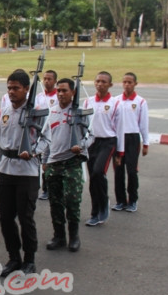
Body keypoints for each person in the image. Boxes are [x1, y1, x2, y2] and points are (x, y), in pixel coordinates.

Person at [0, 70, 48, 277]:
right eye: (9, 88)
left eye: (16, 88)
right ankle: (13, 257)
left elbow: (46, 139)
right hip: (6, 170)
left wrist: (34, 152)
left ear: (27, 89)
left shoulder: (38, 112)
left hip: (27, 171)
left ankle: (29, 259)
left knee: (26, 218)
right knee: (5, 217)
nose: (11, 92)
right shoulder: (3, 112)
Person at [39, 78, 90, 253]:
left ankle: (74, 237)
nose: (60, 94)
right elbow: (46, 138)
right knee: (55, 202)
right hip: (54, 163)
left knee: (72, 201)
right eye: (58, 91)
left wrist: (81, 146)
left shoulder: (80, 112)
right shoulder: (52, 112)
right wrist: (44, 161)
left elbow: (91, 135)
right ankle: (59, 236)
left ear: (73, 93)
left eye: (64, 91)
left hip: (71, 162)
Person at [83, 71, 124, 226]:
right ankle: (95, 212)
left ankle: (103, 203)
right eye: (97, 81)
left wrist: (120, 152)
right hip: (92, 142)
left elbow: (120, 129)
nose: (100, 84)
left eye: (104, 82)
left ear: (110, 85)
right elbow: (84, 124)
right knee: (93, 178)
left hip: (108, 142)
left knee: (99, 172)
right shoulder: (88, 102)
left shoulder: (115, 104)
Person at [112, 73, 149, 211]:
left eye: (130, 82)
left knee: (132, 171)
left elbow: (143, 123)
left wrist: (146, 143)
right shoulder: (116, 100)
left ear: (135, 84)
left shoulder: (140, 102)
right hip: (118, 138)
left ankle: (132, 200)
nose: (127, 85)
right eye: (124, 82)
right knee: (118, 171)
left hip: (132, 138)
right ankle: (120, 200)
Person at [36, 70, 58, 200]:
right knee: (42, 160)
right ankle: (44, 189)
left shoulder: (58, 96)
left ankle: (52, 188)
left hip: (55, 133)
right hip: (42, 132)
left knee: (51, 161)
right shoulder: (39, 96)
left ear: (55, 81)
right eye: (45, 79)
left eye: (50, 79)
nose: (46, 81)